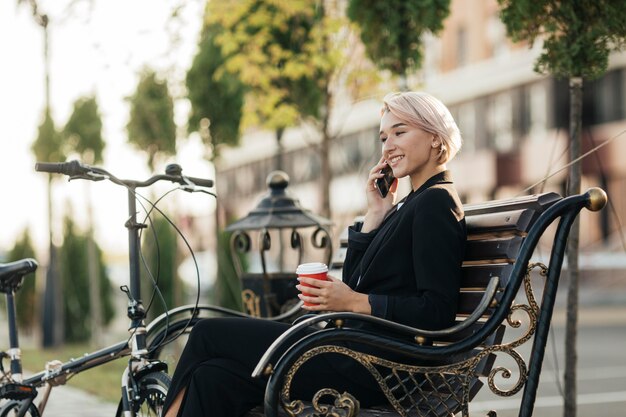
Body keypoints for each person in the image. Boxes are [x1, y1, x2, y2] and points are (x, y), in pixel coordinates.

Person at [161, 91, 466, 417]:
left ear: (435, 138)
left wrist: (354, 303)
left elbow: (438, 310)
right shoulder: (410, 204)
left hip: (376, 367)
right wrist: (376, 214)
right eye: (383, 136)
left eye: (400, 132)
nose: (387, 146)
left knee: (207, 334)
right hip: (354, 354)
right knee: (214, 378)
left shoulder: (436, 202)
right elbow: (358, 282)